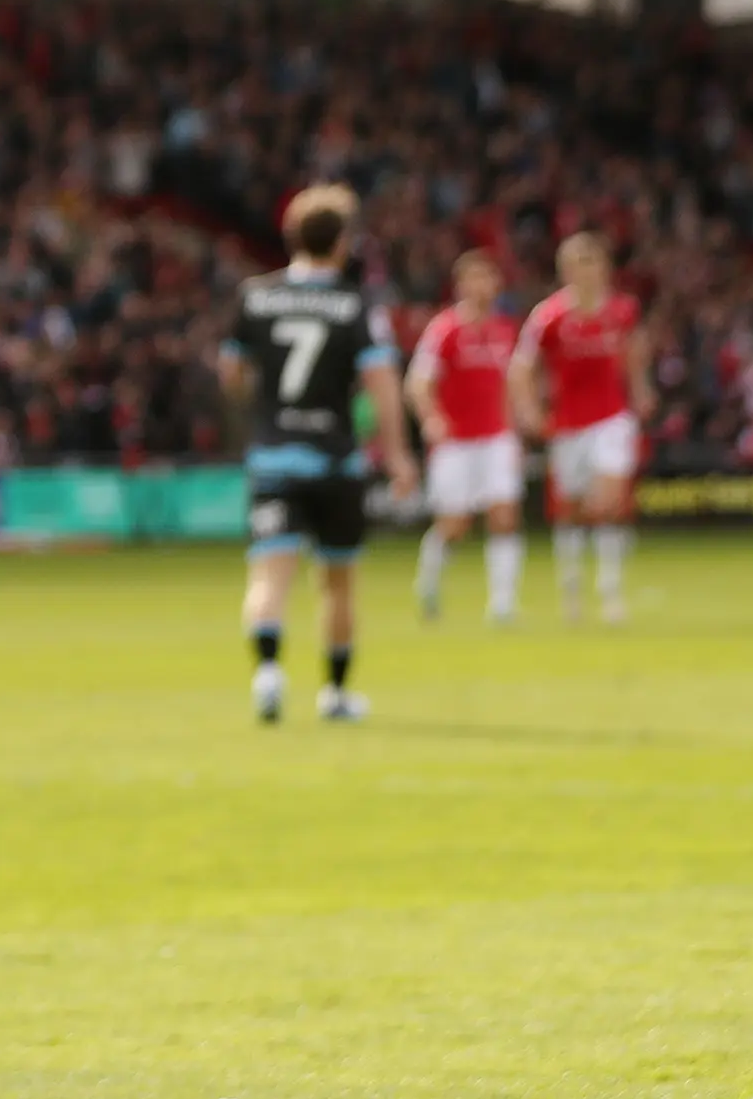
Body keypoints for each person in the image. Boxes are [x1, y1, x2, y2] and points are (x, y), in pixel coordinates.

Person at [221, 185, 418, 724]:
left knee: (268, 577)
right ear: (344, 243)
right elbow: (382, 385)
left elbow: (232, 373)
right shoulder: (356, 305)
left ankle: (267, 672)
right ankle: (333, 695)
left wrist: (262, 408)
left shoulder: (253, 296)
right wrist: (398, 455)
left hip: (273, 459)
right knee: (336, 583)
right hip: (335, 461)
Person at [512, 229, 648, 622]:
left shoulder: (622, 311)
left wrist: (641, 389)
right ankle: (571, 587)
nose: (587, 273)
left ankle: (610, 591)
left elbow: (634, 349)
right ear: (566, 270)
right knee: (571, 508)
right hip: (568, 423)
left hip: (612, 418)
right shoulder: (549, 316)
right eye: (578, 265)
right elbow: (522, 367)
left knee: (609, 501)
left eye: (593, 264)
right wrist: (530, 411)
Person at [406, 249, 526, 621]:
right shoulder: (444, 329)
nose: (481, 286)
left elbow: (510, 386)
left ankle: (502, 603)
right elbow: (418, 382)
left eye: (487, 278)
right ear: (460, 285)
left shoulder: (506, 330)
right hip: (455, 442)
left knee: (504, 515)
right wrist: (431, 418)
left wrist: (515, 433)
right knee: (454, 525)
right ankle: (429, 582)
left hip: (496, 438)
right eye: (473, 278)